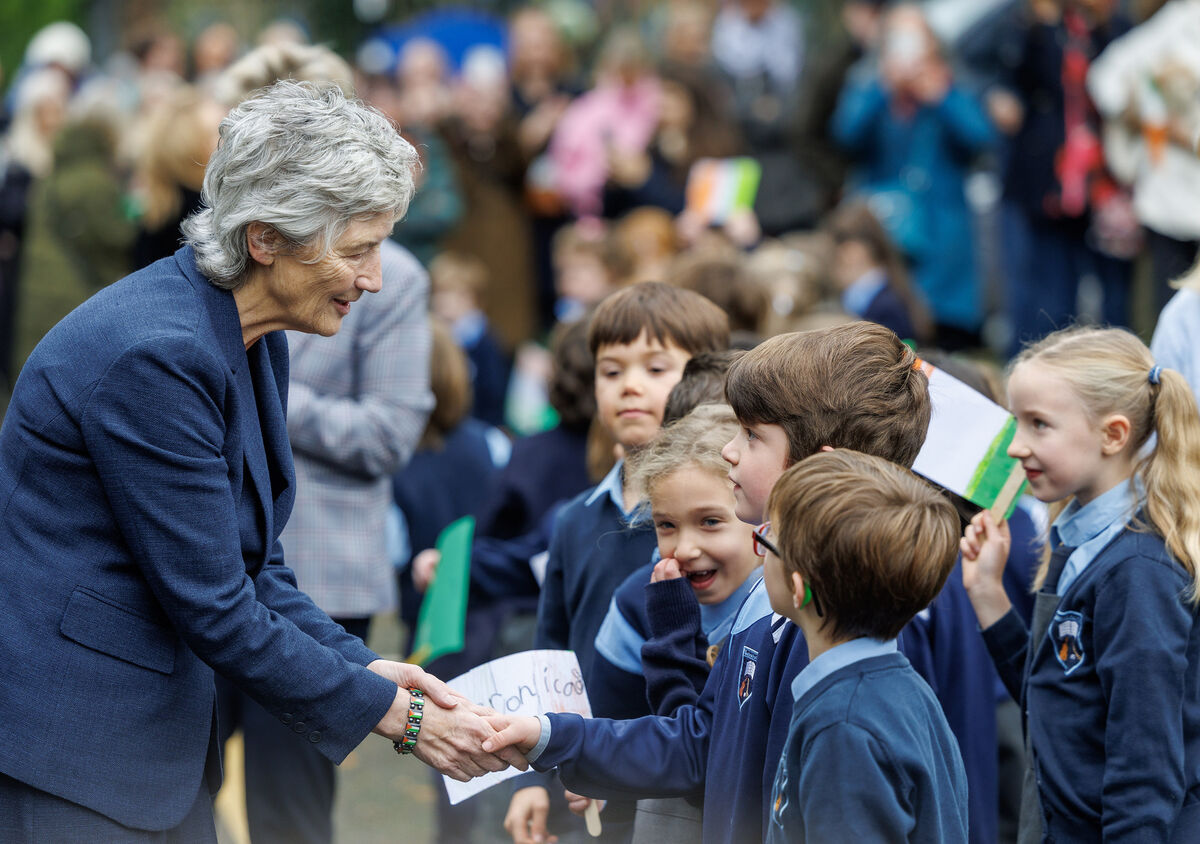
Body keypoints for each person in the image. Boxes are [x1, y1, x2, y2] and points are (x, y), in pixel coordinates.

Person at [0, 81, 520, 842]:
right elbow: (214, 602)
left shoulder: (248, 332)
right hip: (77, 753)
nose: (374, 280)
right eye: (358, 250)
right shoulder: (159, 354)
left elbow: (256, 566)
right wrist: (399, 721)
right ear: (266, 238)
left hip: (143, 751)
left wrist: (364, 666)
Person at [484, 322, 935, 844]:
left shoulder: (834, 622)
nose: (729, 451)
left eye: (752, 435)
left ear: (819, 468)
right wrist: (553, 737)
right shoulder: (772, 595)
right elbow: (706, 744)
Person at [209, 47, 439, 844]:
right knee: (190, 782)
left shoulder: (392, 278)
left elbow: (386, 432)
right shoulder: (207, 286)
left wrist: (255, 392)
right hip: (220, 564)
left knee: (287, 813)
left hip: (319, 564)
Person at [505, 281, 729, 844]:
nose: (630, 385)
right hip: (581, 770)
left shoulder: (719, 529)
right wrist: (532, 777)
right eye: (611, 371)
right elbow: (550, 647)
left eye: (656, 369)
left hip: (675, 773)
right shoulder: (573, 519)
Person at [961, 325, 1200, 841]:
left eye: (1038, 425)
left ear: (1112, 435)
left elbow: (1145, 766)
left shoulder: (1138, 573)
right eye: (1015, 422)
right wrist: (990, 597)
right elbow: (1057, 699)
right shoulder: (1081, 539)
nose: (1015, 446)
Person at [759, 450, 967, 842]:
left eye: (769, 540)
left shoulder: (843, 727)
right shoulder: (906, 693)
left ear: (799, 587)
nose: (762, 547)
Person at [593, 403, 761, 842]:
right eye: (666, 525)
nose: (684, 547)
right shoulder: (636, 602)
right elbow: (615, 725)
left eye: (710, 522)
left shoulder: (782, 605)